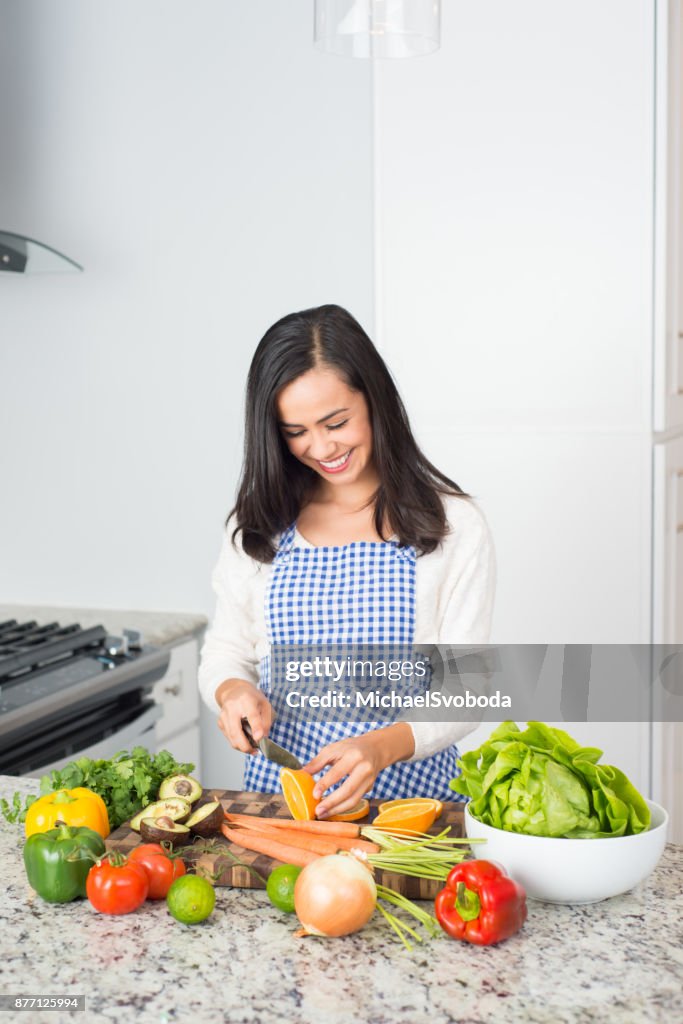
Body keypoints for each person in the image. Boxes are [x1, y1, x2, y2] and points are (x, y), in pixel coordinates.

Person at [198, 304, 495, 817]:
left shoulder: (453, 524)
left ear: (375, 401)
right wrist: (232, 692)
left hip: (412, 813)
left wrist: (379, 748)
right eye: (296, 432)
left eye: (336, 422)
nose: (322, 447)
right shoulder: (257, 526)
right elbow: (227, 649)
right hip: (282, 808)